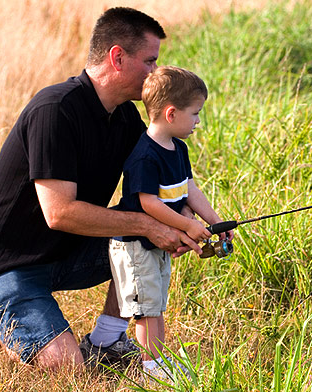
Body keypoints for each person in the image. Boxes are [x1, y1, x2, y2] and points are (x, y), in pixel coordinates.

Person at [0, 7, 202, 370]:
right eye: (150, 61)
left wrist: (185, 222)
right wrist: (150, 226)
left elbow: (157, 184)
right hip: (3, 266)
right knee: (68, 367)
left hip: (66, 253)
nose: (156, 73)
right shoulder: (55, 109)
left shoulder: (126, 118)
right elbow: (59, 212)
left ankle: (107, 339)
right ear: (117, 57)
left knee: (140, 241)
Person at [109, 65, 234, 379]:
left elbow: (189, 188)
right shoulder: (145, 156)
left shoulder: (179, 148)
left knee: (156, 304)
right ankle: (153, 368)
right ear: (170, 114)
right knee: (148, 309)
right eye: (195, 113)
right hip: (136, 246)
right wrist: (187, 226)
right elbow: (146, 203)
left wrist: (215, 221)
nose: (198, 121)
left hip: (157, 246)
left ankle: (133, 353)